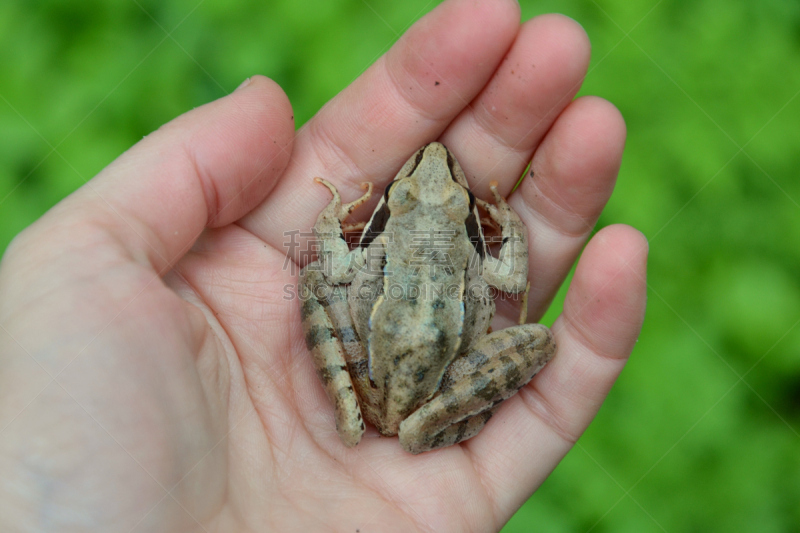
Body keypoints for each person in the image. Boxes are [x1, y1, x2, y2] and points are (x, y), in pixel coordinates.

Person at [0, 2, 646, 531]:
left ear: (396, 206)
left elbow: (332, 262)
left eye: (453, 196)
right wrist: (506, 231)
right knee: (535, 337)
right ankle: (422, 421)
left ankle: (350, 405)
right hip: (441, 376)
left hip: (372, 380)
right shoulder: (475, 241)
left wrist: (341, 208)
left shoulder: (377, 229)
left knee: (313, 277)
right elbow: (510, 282)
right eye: (406, 188)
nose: (432, 167)